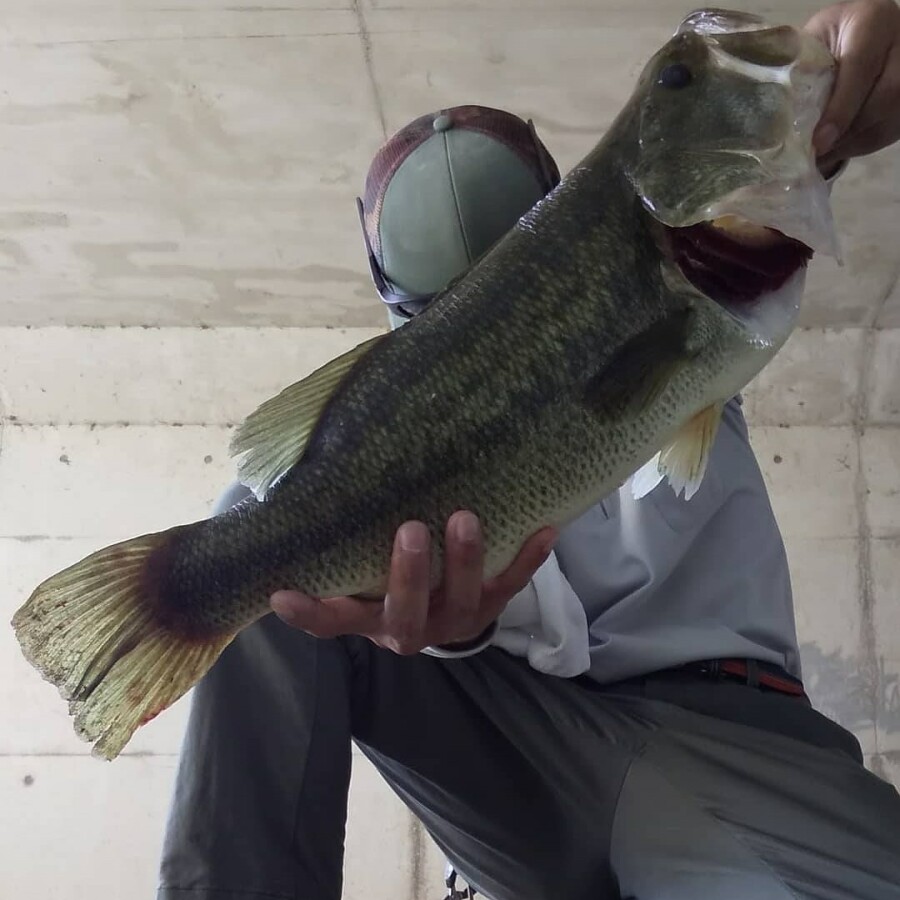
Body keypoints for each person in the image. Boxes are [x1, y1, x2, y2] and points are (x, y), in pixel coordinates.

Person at [157, 2, 900, 898]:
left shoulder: (684, 307)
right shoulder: (376, 453)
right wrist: (452, 631)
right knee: (260, 553)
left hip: (737, 744)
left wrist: (828, 118)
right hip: (515, 781)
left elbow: (732, 220)